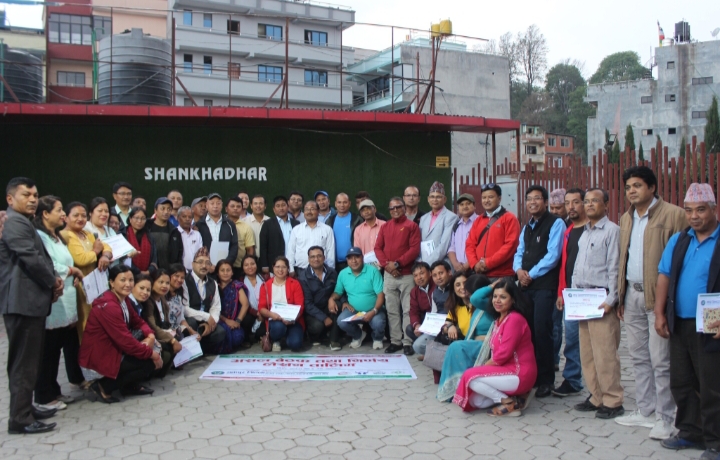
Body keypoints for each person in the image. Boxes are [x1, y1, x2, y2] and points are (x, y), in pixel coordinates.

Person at [615, 166, 687, 439]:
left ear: (652, 187)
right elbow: (624, 257)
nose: (631, 191)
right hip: (631, 295)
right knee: (638, 356)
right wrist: (621, 294)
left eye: (637, 185)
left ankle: (666, 417)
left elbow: (682, 258)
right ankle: (645, 410)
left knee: (661, 360)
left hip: (657, 297)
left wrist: (669, 303)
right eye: (628, 187)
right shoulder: (626, 218)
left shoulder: (674, 215)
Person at [655, 183, 720, 456]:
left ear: (714, 210)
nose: (694, 216)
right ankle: (690, 432)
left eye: (701, 210)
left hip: (712, 324)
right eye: (689, 210)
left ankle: (715, 441)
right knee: (681, 381)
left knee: (712, 385)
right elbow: (664, 274)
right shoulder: (680, 239)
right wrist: (659, 313)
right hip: (680, 322)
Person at [1, 178, 63, 434]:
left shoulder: (22, 221)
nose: (32, 199)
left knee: (29, 362)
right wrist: (53, 282)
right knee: (23, 365)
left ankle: (26, 407)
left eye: (35, 195)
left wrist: (52, 280)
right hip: (22, 302)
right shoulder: (14, 223)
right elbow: (31, 258)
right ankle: (20, 419)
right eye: (26, 195)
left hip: (29, 302)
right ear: (10, 199)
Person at [569, 189, 624, 419]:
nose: (590, 205)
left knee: (605, 354)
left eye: (595, 201)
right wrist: (572, 294)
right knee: (588, 353)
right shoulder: (584, 233)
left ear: (606, 204)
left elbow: (615, 267)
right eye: (587, 201)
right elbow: (577, 266)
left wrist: (612, 299)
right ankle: (596, 396)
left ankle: (613, 400)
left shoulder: (612, 231)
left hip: (601, 299)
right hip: (582, 300)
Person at [79, 265, 162, 404]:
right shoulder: (109, 306)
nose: (128, 284)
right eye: (123, 280)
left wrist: (151, 336)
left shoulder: (123, 299)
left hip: (114, 349)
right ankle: (104, 386)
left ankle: (128, 386)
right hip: (99, 358)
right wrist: (152, 354)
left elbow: (138, 321)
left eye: (131, 280)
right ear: (111, 282)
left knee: (154, 347)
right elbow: (126, 341)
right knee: (149, 362)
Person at [453, 278, 537, 416]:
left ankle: (509, 403)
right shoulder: (499, 320)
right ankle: (516, 397)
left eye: (503, 297)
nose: (497, 300)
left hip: (520, 373)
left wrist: (481, 369)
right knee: (475, 401)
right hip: (505, 370)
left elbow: (503, 354)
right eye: (495, 296)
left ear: (513, 300)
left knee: (471, 377)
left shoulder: (514, 319)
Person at [33, 196, 85, 412]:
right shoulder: (39, 237)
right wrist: (72, 270)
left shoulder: (56, 236)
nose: (62, 214)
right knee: (48, 351)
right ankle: (43, 396)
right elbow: (49, 264)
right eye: (59, 210)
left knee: (58, 349)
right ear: (45, 214)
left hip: (67, 300)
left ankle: (54, 390)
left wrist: (72, 274)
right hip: (54, 302)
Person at [513, 185, 565, 398]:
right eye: (529, 199)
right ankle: (531, 375)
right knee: (528, 332)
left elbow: (553, 256)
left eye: (537, 198)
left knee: (543, 331)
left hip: (544, 286)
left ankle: (546, 380)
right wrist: (518, 271)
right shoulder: (527, 227)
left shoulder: (556, 223)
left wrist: (530, 274)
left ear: (545, 202)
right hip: (526, 287)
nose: (532, 202)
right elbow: (519, 251)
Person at [437, 275, 497, 402]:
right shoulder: (474, 308)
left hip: (486, 346)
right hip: (473, 343)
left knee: (456, 347)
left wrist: (492, 286)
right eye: (458, 285)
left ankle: (461, 388)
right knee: (455, 347)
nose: (465, 291)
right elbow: (448, 323)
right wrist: (450, 326)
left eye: (469, 290)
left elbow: (475, 298)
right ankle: (455, 389)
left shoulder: (490, 305)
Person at [375, 197, 421, 355]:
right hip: (389, 275)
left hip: (406, 274)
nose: (395, 210)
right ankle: (395, 341)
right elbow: (378, 248)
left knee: (408, 309)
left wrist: (397, 264)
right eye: (392, 208)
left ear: (404, 208)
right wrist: (388, 266)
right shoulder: (385, 226)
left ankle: (408, 341)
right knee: (392, 309)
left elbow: (414, 249)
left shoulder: (412, 226)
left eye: (398, 207)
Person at [553, 188, 586, 398]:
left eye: (575, 202)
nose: (570, 207)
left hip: (592, 294)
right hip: (571, 294)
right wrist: (561, 292)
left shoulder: (594, 229)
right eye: (567, 203)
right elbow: (564, 264)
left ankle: (599, 384)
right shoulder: (569, 231)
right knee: (572, 340)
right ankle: (572, 380)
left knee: (594, 343)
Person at [62, 202, 113, 338]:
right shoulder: (66, 235)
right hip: (78, 284)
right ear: (66, 218)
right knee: (85, 322)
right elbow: (81, 259)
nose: (80, 219)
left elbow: (106, 246)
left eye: (83, 216)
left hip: (95, 283)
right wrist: (96, 251)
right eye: (76, 215)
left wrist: (105, 256)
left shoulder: (86, 233)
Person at [331, 247, 386, 350]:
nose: (354, 261)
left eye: (357, 257)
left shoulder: (373, 271)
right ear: (347, 260)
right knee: (341, 321)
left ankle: (377, 338)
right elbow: (338, 292)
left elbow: (380, 295)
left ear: (362, 258)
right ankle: (358, 335)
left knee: (378, 323)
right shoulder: (343, 273)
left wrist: (374, 311)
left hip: (374, 309)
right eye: (350, 258)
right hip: (355, 311)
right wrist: (331, 299)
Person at [466, 184, 520, 280]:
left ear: (499, 198)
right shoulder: (478, 220)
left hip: (502, 275)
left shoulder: (509, 218)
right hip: (480, 275)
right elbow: (470, 244)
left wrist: (488, 263)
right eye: (484, 198)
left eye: (490, 197)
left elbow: (510, 245)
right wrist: (474, 264)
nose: (486, 200)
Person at [181, 247, 226, 354]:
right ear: (193, 264)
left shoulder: (213, 283)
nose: (204, 266)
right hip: (190, 319)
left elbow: (216, 307)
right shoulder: (185, 281)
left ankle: (199, 349)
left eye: (207, 263)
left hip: (206, 321)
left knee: (221, 332)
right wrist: (206, 317)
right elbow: (184, 309)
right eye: (200, 262)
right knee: (191, 323)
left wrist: (211, 323)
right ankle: (192, 350)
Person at [258, 256, 306, 352]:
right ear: (273, 268)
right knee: (279, 327)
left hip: (293, 320)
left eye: (284, 267)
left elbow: (300, 306)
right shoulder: (266, 285)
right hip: (275, 320)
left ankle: (286, 338)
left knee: (295, 344)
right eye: (277, 267)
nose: (280, 270)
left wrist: (292, 319)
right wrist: (272, 315)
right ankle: (276, 340)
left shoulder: (295, 284)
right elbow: (261, 308)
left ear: (288, 269)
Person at [141, 269, 181, 377]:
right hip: (153, 336)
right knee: (170, 346)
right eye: (160, 282)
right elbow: (152, 326)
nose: (164, 286)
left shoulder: (162, 299)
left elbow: (166, 322)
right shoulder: (149, 301)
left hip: (162, 332)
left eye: (167, 283)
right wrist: (172, 340)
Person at [299, 246, 340, 349]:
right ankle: (314, 337)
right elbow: (308, 304)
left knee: (339, 305)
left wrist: (332, 299)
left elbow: (338, 290)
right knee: (317, 326)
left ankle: (334, 340)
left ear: (324, 258)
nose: (316, 259)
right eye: (312, 257)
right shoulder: (303, 277)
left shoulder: (332, 272)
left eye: (319, 256)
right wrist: (324, 318)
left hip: (328, 306)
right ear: (308, 259)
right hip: (312, 311)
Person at [549, 187, 569, 370]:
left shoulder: (571, 225)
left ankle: (556, 360)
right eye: (552, 208)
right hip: (551, 280)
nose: (555, 211)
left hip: (566, 281)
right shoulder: (549, 223)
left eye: (559, 208)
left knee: (559, 324)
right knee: (552, 322)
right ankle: (553, 358)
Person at [287, 201, 335, 275]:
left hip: (321, 271)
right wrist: (291, 269)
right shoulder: (296, 230)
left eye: (312, 209)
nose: (309, 212)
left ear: (318, 212)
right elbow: (291, 251)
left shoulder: (327, 229)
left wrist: (330, 270)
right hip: (300, 270)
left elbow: (330, 251)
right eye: (306, 209)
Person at [196, 193, 238, 274]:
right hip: (205, 268)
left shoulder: (230, 224)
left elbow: (234, 245)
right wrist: (206, 264)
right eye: (212, 203)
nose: (215, 206)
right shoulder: (199, 224)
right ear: (207, 205)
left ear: (222, 205)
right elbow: (197, 247)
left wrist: (226, 263)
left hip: (225, 268)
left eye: (218, 203)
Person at [215, 259, 252, 352]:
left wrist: (237, 321)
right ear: (218, 273)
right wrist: (226, 321)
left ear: (232, 272)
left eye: (228, 270)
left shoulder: (237, 286)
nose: (225, 273)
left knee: (238, 337)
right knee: (221, 335)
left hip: (234, 321)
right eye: (222, 270)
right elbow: (211, 308)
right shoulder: (214, 286)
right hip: (218, 320)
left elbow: (245, 304)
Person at [418, 182, 458, 265]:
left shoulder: (451, 217)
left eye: (438, 197)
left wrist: (426, 264)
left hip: (441, 264)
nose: (435, 200)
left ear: (444, 199)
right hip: (423, 263)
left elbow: (444, 246)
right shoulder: (423, 218)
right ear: (428, 199)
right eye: (432, 197)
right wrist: (420, 261)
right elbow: (420, 242)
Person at [260, 195, 299, 275]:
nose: (281, 208)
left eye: (283, 205)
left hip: (293, 265)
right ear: (274, 209)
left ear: (288, 207)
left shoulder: (296, 223)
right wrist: (264, 265)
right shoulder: (267, 224)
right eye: (278, 206)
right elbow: (263, 246)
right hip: (275, 265)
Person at [407, 262, 436, 356]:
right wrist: (417, 325)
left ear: (430, 273)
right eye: (415, 275)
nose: (419, 277)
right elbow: (413, 311)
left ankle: (433, 352)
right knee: (410, 329)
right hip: (426, 321)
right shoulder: (414, 291)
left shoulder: (436, 285)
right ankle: (427, 352)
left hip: (439, 320)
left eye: (421, 273)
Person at [146, 197, 182, 270]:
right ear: (155, 210)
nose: (166, 212)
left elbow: (179, 254)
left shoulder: (175, 232)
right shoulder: (146, 228)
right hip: (149, 271)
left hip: (168, 272)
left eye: (169, 209)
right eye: (163, 209)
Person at [120, 207, 157, 275]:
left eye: (143, 218)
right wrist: (138, 272)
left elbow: (154, 259)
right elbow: (123, 258)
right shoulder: (123, 234)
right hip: (128, 274)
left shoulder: (150, 236)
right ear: (130, 219)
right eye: (136, 218)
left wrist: (149, 271)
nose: (139, 221)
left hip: (147, 275)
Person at [225, 197, 256, 279]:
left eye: (238, 206)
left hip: (238, 267)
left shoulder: (246, 227)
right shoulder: (221, 224)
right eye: (232, 206)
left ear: (242, 209)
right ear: (226, 209)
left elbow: (250, 249)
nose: (235, 208)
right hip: (222, 266)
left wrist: (248, 266)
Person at [325, 193, 356, 272]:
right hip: (335, 264)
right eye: (339, 202)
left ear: (349, 204)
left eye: (345, 202)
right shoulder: (329, 221)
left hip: (353, 262)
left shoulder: (357, 220)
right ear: (335, 204)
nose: (342, 205)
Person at [448, 194, 478, 273]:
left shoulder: (480, 222)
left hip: (475, 269)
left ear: (474, 206)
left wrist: (467, 265)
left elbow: (481, 247)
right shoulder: (457, 225)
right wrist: (455, 264)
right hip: (458, 270)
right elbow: (452, 248)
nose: (465, 206)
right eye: (461, 204)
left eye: (468, 203)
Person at [166, 263, 196, 337]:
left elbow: (181, 319)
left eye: (182, 278)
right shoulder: (162, 295)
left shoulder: (178, 297)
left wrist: (191, 330)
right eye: (176, 276)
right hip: (166, 332)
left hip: (177, 331)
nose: (179, 280)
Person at [241, 254, 266, 344]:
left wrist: (263, 312)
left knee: (261, 333)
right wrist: (256, 313)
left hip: (265, 312)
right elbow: (241, 304)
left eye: (252, 264)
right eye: (246, 265)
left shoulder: (265, 278)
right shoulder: (240, 282)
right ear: (242, 267)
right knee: (246, 320)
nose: (250, 267)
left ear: (256, 265)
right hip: (250, 313)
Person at [176, 206, 202, 271]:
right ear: (178, 218)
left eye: (190, 217)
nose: (187, 219)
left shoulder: (197, 234)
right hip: (181, 271)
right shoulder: (175, 234)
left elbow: (200, 253)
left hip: (196, 270)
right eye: (184, 216)